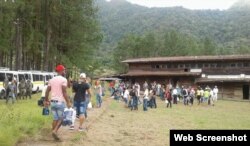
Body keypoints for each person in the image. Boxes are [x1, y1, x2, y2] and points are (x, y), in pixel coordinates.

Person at [44, 64, 71, 141]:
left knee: (55, 118)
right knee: (62, 117)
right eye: (64, 70)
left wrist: (46, 100)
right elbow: (64, 92)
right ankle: (55, 131)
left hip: (52, 102)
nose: (65, 71)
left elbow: (47, 91)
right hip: (60, 102)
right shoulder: (63, 80)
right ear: (61, 71)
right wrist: (68, 102)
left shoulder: (51, 80)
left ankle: (54, 132)